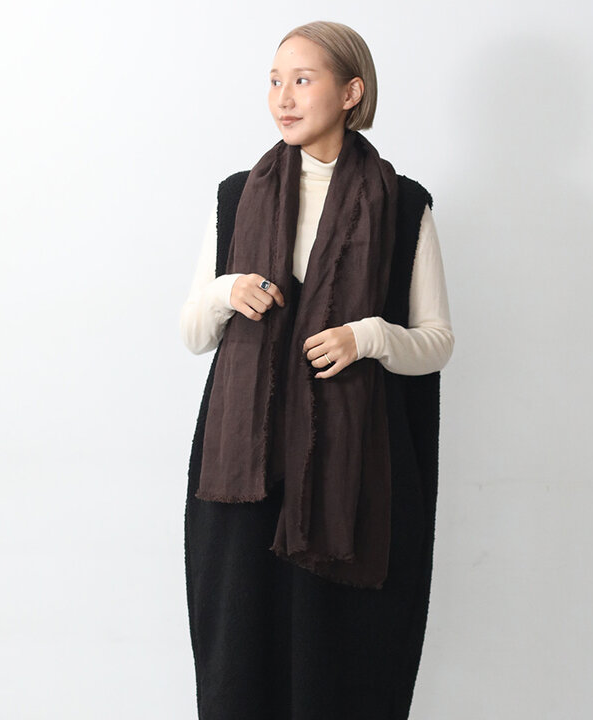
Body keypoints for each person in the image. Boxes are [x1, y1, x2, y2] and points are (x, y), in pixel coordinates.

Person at [180, 20, 454, 720]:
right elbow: (192, 333)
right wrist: (225, 292)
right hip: (243, 480)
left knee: (341, 668)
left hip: (350, 478)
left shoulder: (403, 205)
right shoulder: (237, 196)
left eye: (302, 80)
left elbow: (437, 342)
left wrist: (368, 336)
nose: (283, 97)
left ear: (351, 92)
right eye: (275, 81)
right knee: (240, 661)